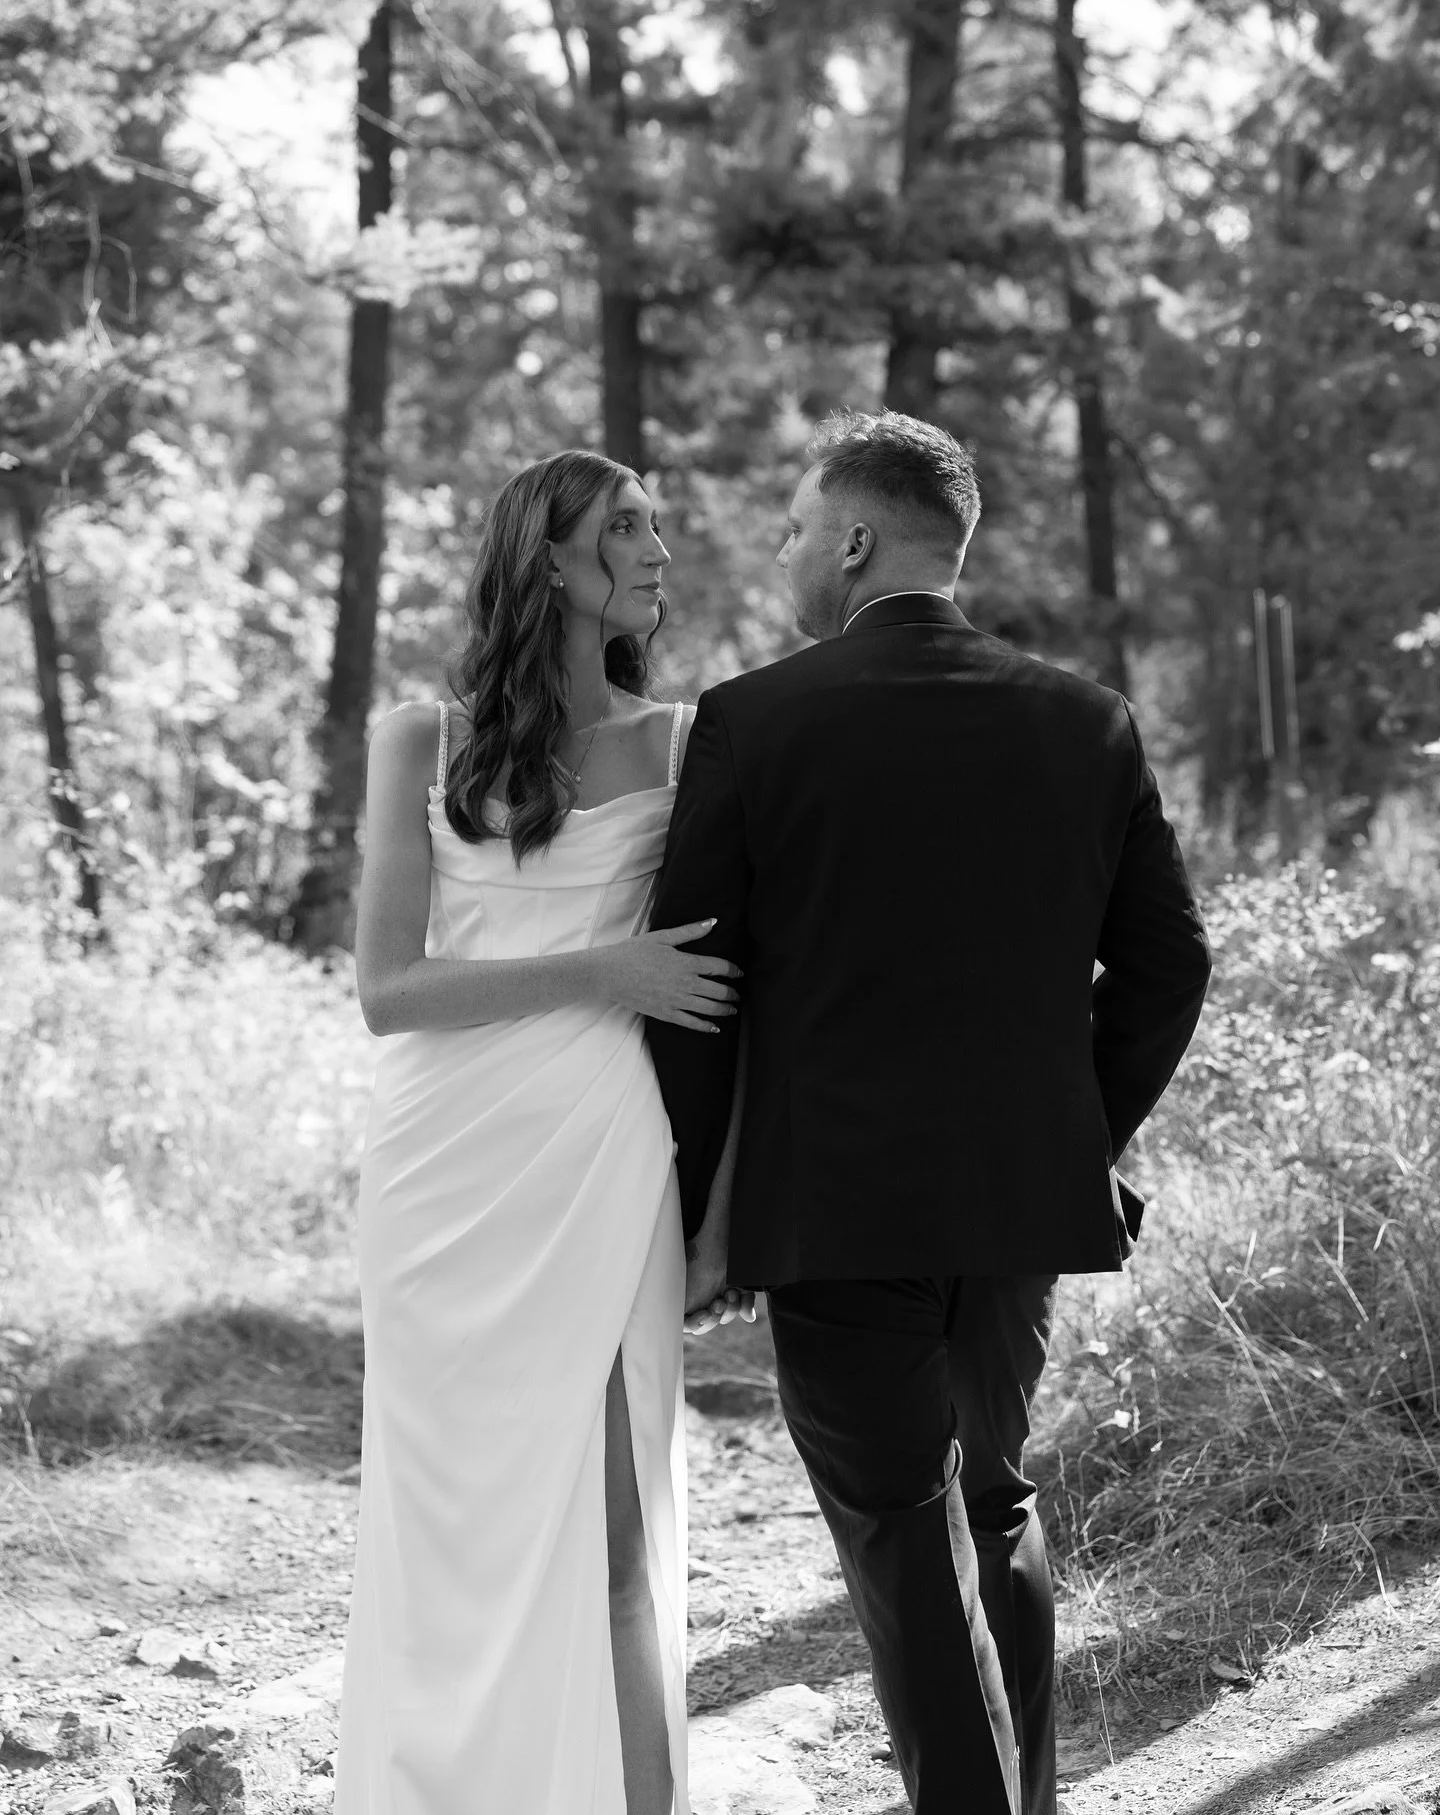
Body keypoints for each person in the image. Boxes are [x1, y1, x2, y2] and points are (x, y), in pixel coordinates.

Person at [646, 409, 1212, 1815]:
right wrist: (1069, 1132)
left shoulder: (753, 721)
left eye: (792, 525)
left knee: (906, 1527)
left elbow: (695, 988)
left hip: (829, 1203)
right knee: (992, 1501)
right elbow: (1170, 962)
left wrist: (694, 1207)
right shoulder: (1085, 718)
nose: (784, 550)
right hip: (1018, 1198)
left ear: (853, 537)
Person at [334, 449, 749, 1815]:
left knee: (620, 1517)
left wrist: (724, 1212)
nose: (657, 550)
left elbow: (751, 993)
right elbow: (390, 991)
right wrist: (599, 972)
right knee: (447, 1513)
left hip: (604, 1148)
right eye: (625, 527)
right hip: (443, 1162)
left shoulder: (687, 746)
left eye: (654, 527)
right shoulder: (420, 739)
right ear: (551, 562)